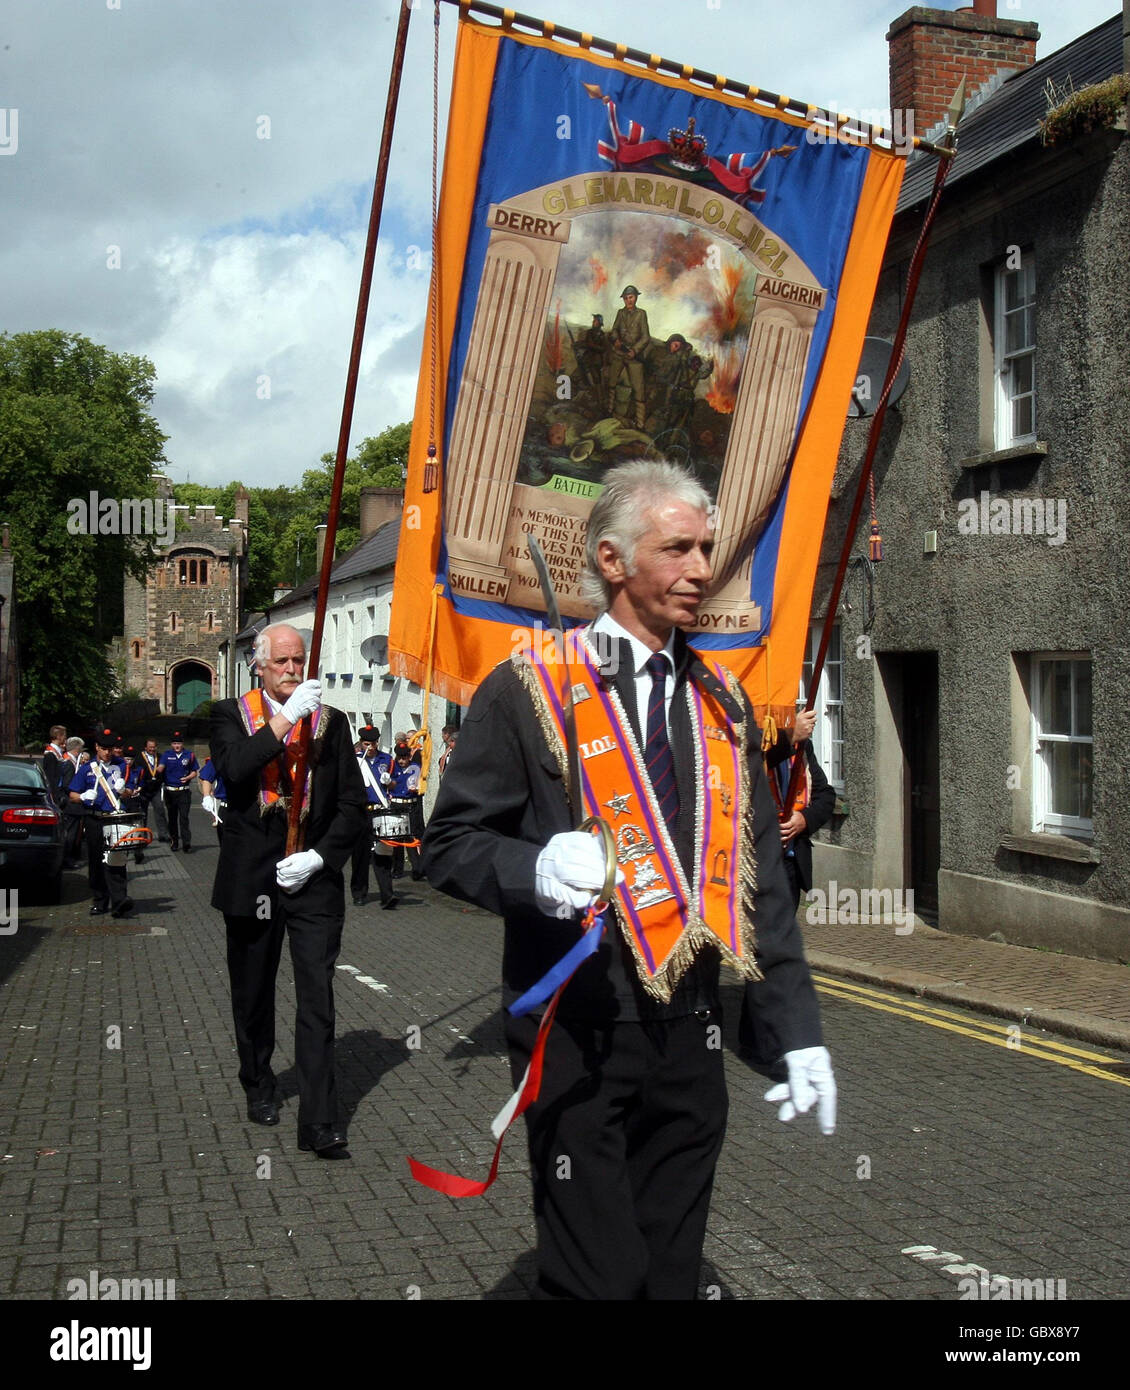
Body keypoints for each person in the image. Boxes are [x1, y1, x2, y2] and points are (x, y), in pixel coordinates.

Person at [423, 459, 835, 1300]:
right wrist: (530, 867)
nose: (700, 570)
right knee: (595, 1279)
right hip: (575, 1031)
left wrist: (797, 1029)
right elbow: (452, 843)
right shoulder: (528, 687)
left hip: (691, 1033)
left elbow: (763, 891)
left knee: (670, 1276)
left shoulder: (723, 705)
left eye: (707, 549)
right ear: (612, 561)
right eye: (677, 548)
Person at [209, 623, 367, 1158]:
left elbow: (351, 806)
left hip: (312, 877)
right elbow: (234, 769)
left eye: (299, 660)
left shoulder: (332, 724)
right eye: (281, 662)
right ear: (259, 665)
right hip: (252, 876)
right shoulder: (231, 715)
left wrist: (321, 857)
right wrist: (286, 717)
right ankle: (258, 1082)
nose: (293, 670)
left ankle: (319, 1122)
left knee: (317, 999)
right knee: (253, 991)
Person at [68, 729, 133, 918]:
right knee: (96, 861)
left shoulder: (121, 765)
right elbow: (72, 794)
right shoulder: (87, 768)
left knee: (117, 860)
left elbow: (130, 790)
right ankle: (100, 901)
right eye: (104, 748)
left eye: (110, 749)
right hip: (94, 818)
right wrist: (82, 796)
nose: (107, 752)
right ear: (97, 747)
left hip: (114, 817)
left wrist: (124, 791)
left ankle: (120, 900)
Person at [349, 727, 396, 909]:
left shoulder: (387, 759)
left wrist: (389, 782)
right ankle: (359, 892)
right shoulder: (355, 761)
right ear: (361, 743)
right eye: (366, 744)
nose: (370, 747)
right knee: (360, 854)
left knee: (383, 853)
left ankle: (387, 894)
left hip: (380, 810)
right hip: (361, 811)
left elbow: (393, 785)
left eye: (373, 744)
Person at [605, 285, 651, 429]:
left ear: (636, 297)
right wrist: (616, 340)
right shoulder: (620, 313)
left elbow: (645, 337)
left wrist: (635, 351)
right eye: (626, 298)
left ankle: (640, 423)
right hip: (619, 353)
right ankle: (608, 411)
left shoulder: (641, 314)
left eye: (631, 297)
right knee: (612, 383)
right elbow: (614, 331)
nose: (628, 300)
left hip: (634, 357)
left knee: (638, 389)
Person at [389, 744, 424, 881]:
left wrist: (419, 789)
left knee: (412, 836)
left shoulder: (416, 767)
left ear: (409, 756)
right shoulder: (392, 767)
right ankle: (397, 868)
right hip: (397, 803)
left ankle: (417, 868)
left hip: (411, 804)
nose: (401, 761)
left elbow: (422, 783)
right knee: (397, 837)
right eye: (399, 758)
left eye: (404, 758)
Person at [160, 732, 198, 853]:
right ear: (171, 744)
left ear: (183, 744)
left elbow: (194, 771)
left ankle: (186, 843)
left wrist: (188, 778)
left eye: (179, 743)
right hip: (170, 792)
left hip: (183, 792)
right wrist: (158, 770)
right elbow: (160, 766)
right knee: (172, 818)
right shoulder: (166, 755)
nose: (177, 746)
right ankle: (174, 842)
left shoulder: (189, 755)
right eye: (175, 743)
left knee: (184, 818)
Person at [136, 739, 169, 843]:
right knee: (142, 813)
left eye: (154, 747)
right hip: (143, 789)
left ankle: (163, 834)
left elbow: (165, 770)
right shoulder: (139, 757)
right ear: (145, 747)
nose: (152, 749)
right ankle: (142, 835)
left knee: (160, 810)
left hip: (156, 788)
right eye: (150, 747)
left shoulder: (160, 757)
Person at [198, 752, 228, 844]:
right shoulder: (221, 756)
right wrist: (207, 795)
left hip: (250, 808)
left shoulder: (253, 753)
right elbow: (206, 777)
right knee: (226, 845)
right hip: (227, 808)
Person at [42, 725, 68, 808]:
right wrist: (55, 796)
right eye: (64, 735)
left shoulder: (57, 752)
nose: (65, 738)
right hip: (55, 794)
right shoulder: (50, 754)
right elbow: (50, 777)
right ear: (58, 736)